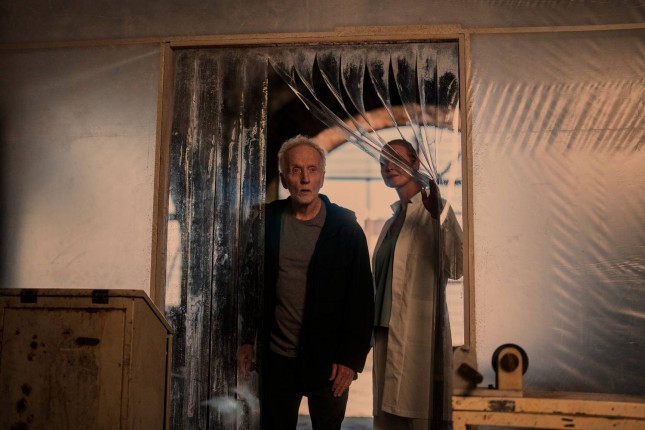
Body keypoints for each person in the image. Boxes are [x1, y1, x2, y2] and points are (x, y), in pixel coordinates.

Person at [237, 135, 374, 430]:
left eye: (312, 170)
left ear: (322, 177)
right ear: (284, 178)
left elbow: (362, 300)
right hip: (277, 358)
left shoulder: (345, 228)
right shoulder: (266, 222)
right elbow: (250, 285)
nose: (305, 179)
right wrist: (246, 339)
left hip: (330, 362)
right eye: (296, 170)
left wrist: (350, 360)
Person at [372, 139, 463, 430]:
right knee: (388, 420)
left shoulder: (436, 210)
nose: (388, 166)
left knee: (420, 414)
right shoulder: (391, 222)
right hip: (385, 332)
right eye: (383, 162)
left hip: (418, 334)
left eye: (396, 159)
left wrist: (439, 218)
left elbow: (458, 267)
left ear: (415, 164)